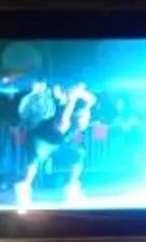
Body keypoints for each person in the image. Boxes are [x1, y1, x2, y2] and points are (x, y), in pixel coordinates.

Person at [13, 77, 95, 207]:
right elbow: (62, 122)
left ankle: (72, 187)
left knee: (78, 154)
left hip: (60, 137)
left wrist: (80, 94)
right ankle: (24, 188)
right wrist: (72, 100)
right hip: (44, 136)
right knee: (35, 160)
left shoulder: (78, 109)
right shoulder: (62, 107)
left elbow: (91, 100)